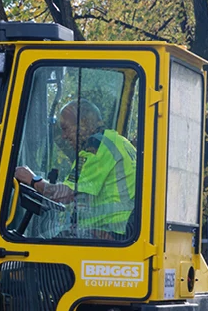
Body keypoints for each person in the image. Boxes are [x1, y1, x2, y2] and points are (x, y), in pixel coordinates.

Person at [13, 99, 137, 238]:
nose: (64, 136)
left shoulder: (96, 146)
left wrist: (33, 179)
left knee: (37, 246)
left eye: (66, 128)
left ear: (85, 123)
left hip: (107, 233)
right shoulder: (119, 143)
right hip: (119, 232)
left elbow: (65, 194)